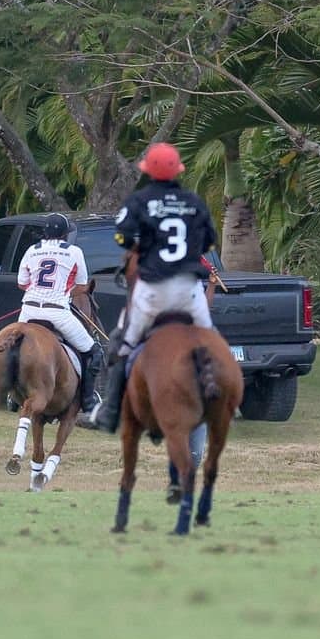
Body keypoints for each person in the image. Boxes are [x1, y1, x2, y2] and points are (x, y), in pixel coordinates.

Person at [83, 141, 218, 432]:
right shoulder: (194, 202)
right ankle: (214, 395)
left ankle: (110, 412)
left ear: (148, 171)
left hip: (152, 290)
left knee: (123, 343)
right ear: (177, 170)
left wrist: (136, 245)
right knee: (209, 340)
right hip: (188, 291)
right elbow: (209, 240)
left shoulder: (140, 201)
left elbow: (121, 237)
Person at [15, 213, 103, 413]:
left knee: (13, 348)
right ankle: (88, 400)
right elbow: (82, 286)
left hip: (28, 311)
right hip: (57, 313)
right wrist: (64, 292)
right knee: (94, 351)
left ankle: (14, 395)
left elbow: (21, 283)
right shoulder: (74, 252)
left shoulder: (31, 250)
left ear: (45, 233)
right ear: (65, 234)